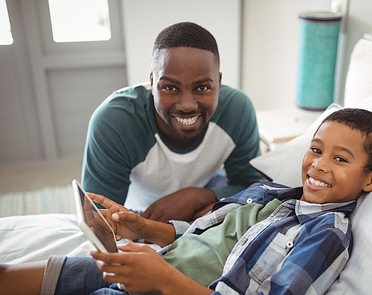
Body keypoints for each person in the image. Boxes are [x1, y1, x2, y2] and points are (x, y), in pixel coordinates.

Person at [0, 108, 372, 295]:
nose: (318, 165)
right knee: (7, 276)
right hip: (142, 269)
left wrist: (161, 278)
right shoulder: (273, 194)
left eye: (340, 159)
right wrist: (141, 227)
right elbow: (201, 234)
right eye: (315, 149)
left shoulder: (326, 237)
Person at [82, 22, 263, 222]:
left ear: (218, 83)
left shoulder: (237, 110)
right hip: (135, 212)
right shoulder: (114, 122)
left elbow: (254, 187)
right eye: (170, 87)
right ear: (152, 82)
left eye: (202, 87)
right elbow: (98, 219)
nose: (187, 105)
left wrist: (196, 196)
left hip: (200, 202)